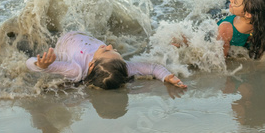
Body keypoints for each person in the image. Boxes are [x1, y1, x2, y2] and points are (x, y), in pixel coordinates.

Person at [27, 31, 186, 89]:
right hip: (85, 36)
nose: (109, 45)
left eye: (105, 50)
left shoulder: (75, 70)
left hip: (65, 40)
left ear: (91, 65)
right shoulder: (122, 67)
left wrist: (40, 65)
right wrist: (166, 76)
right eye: (114, 51)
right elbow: (153, 68)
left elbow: (29, 63)